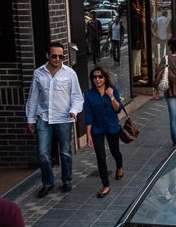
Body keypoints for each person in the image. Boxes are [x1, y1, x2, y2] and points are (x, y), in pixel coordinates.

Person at [26, 42, 83, 198]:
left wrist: (73, 111)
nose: (58, 59)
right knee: (43, 153)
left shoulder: (70, 73)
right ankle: (48, 183)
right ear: (47, 56)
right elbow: (33, 98)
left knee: (65, 152)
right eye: (54, 56)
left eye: (60, 56)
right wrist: (30, 119)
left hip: (64, 118)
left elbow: (78, 97)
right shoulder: (38, 73)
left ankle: (67, 181)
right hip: (43, 118)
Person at [84, 67, 124, 199]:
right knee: (100, 156)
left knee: (115, 151)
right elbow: (88, 115)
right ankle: (106, 185)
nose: (97, 79)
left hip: (112, 126)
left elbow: (118, 110)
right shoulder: (89, 94)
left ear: (105, 78)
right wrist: (88, 134)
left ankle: (119, 166)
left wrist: (111, 96)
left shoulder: (112, 90)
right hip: (97, 128)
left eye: (100, 77)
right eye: (95, 77)